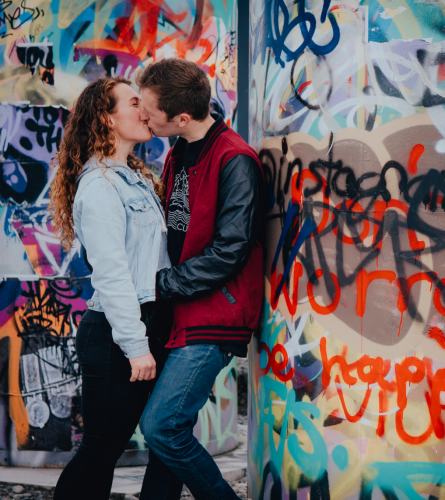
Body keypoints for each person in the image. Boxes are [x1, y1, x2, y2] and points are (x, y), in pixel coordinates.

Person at [136, 58, 264, 500]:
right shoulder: (179, 152)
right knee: (166, 440)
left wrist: (160, 286)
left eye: (149, 111)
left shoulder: (235, 160)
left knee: (162, 427)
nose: (142, 116)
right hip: (181, 310)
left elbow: (229, 250)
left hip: (215, 314)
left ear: (182, 118)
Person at [49, 76, 181, 500]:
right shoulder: (101, 187)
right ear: (106, 119)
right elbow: (112, 273)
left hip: (148, 324)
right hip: (115, 333)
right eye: (133, 102)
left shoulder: (132, 178)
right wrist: (135, 344)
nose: (145, 110)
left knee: (169, 441)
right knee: (100, 452)